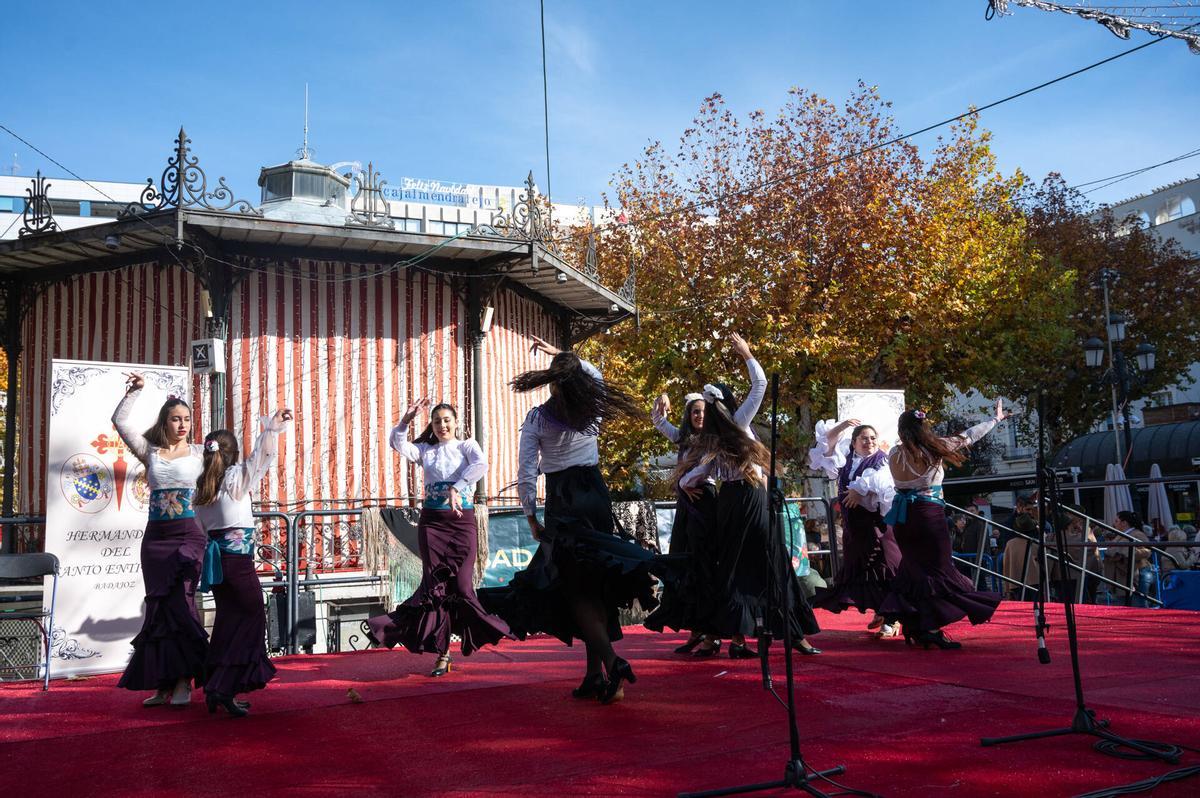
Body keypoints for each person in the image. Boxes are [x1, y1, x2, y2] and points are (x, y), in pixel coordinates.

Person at [484, 336, 660, 704]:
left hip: (565, 499)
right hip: (595, 493)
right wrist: (566, 357)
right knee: (593, 584)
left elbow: (527, 471)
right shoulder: (593, 405)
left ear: (552, 383)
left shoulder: (537, 418)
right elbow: (595, 373)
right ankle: (593, 675)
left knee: (576, 588)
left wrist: (530, 514)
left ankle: (612, 662)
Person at [676, 334, 821, 659]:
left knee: (736, 568)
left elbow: (694, 476)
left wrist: (687, 483)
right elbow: (760, 385)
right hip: (751, 500)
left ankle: (739, 640)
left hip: (732, 503)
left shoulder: (712, 440)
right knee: (771, 562)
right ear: (727, 403)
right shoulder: (737, 423)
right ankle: (793, 635)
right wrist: (747, 354)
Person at [368, 399, 512, 676]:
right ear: (432, 426)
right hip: (432, 525)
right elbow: (397, 444)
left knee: (461, 586)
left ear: (455, 422)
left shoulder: (467, 446)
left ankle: (484, 630)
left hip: (461, 524)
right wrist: (405, 420)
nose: (442, 425)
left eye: (446, 420)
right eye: (437, 421)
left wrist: (457, 488)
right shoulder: (426, 451)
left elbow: (481, 466)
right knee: (435, 590)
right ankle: (442, 654)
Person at [112, 374, 208, 707]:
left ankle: (185, 681)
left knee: (181, 604)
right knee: (159, 610)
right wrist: (135, 392)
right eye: (175, 419)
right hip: (155, 539)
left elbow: (233, 477)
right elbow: (119, 421)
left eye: (186, 419)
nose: (182, 424)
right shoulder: (149, 452)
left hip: (187, 536)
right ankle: (164, 684)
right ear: (165, 422)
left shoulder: (200, 453)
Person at [878, 401, 1007, 649]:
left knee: (914, 570)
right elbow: (969, 436)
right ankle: (930, 627)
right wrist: (995, 420)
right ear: (923, 428)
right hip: (928, 515)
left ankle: (917, 626)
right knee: (939, 570)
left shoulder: (893, 453)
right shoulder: (933, 449)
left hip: (904, 519)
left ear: (900, 431)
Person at [193, 411, 292, 716]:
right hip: (237, 561)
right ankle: (224, 686)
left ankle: (217, 687)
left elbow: (200, 528)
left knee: (226, 621)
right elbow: (258, 461)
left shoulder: (201, 488)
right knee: (250, 619)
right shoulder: (234, 480)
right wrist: (271, 431)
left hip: (217, 562)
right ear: (232, 455)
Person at [645, 390, 722, 657]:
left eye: (703, 411)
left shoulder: (712, 439)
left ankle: (713, 635)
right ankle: (696, 630)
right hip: (686, 505)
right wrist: (663, 396)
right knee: (684, 564)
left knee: (704, 566)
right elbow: (657, 420)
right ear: (688, 415)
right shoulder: (682, 437)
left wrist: (683, 482)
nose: (699, 415)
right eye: (695, 411)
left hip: (703, 501)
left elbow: (706, 469)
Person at [807, 418, 900, 637]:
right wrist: (843, 426)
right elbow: (826, 444)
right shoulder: (846, 460)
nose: (870, 442)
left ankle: (892, 618)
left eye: (873, 438)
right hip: (854, 528)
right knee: (861, 571)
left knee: (884, 568)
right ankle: (881, 610)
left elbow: (882, 482)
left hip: (876, 526)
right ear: (854, 442)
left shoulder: (881, 461)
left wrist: (860, 489)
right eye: (864, 439)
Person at [1103, 510, 1153, 606]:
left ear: (1124, 523)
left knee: (1138, 603)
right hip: (1124, 575)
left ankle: (1142, 620)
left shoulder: (1137, 534)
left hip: (1137, 573)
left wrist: (1124, 551)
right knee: (1126, 603)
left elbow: (1147, 551)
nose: (1114, 524)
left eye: (1116, 521)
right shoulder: (1121, 534)